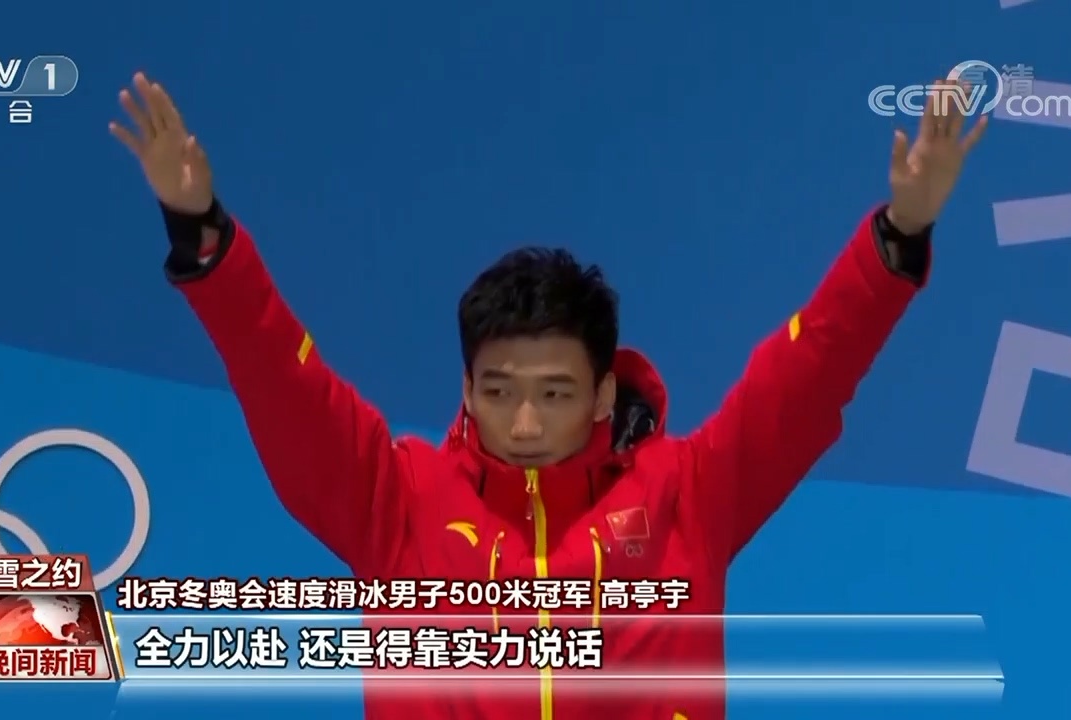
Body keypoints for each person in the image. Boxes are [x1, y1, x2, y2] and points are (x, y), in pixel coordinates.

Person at [110, 72, 985, 720]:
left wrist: (900, 232)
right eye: (499, 391)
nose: (524, 421)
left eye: (555, 393)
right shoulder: (398, 502)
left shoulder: (689, 496)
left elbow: (809, 373)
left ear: (604, 392)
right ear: (466, 389)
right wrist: (204, 233)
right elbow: (281, 378)